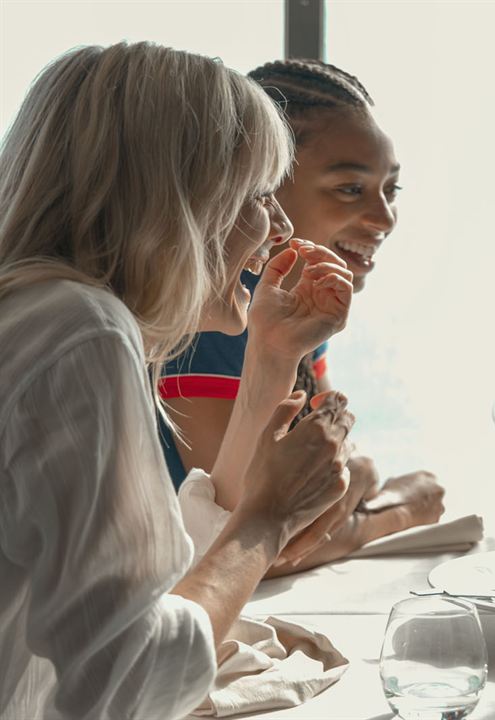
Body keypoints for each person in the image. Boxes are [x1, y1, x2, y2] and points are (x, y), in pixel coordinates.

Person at [0, 42, 357, 719]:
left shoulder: (43, 317)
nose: (280, 227)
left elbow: (149, 586)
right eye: (258, 195)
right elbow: (127, 685)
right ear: (175, 201)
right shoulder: (82, 330)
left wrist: (270, 359)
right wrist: (268, 520)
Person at [159, 59, 444, 574]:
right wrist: (399, 511)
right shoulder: (217, 317)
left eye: (391, 190)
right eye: (350, 189)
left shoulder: (294, 306)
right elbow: (249, 547)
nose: (384, 219)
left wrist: (354, 478)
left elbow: (332, 469)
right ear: (263, 185)